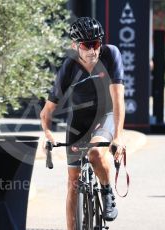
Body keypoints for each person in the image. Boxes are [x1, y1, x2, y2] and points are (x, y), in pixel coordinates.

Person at [40, 17, 125, 229]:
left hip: (105, 116)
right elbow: (46, 112)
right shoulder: (69, 66)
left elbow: (118, 100)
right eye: (87, 45)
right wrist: (48, 135)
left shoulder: (111, 55)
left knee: (95, 154)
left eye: (96, 44)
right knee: (73, 183)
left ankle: (106, 191)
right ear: (75, 46)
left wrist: (118, 137)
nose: (92, 50)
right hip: (78, 121)